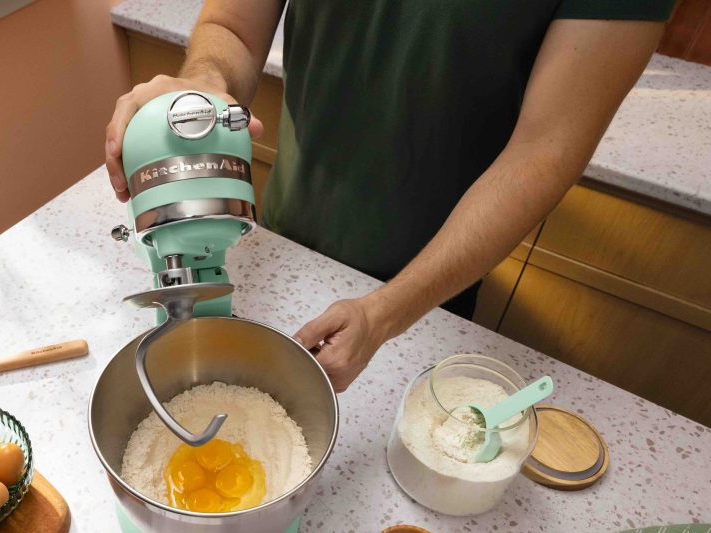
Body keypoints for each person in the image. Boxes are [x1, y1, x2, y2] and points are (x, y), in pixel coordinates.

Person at [104, 1, 675, 392]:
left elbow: (546, 148)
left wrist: (385, 314)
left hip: (422, 296)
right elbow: (233, 27)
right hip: (280, 242)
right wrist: (206, 82)